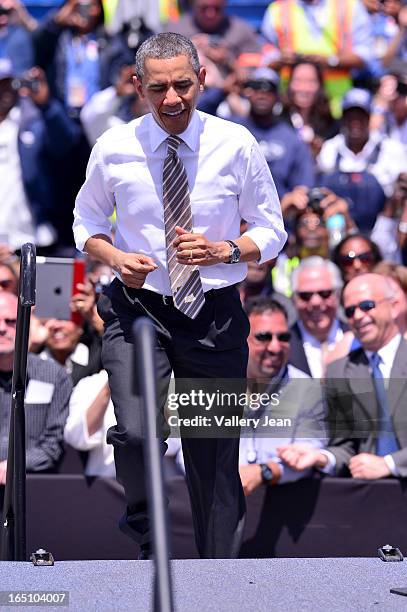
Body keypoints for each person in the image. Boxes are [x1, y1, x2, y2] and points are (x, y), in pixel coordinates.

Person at [72, 32, 286, 559]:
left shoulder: (236, 143)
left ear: (203, 80)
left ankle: (219, 581)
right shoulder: (114, 147)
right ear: (138, 86)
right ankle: (149, 542)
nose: (173, 99)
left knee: (213, 458)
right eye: (160, 88)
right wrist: (118, 259)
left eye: (184, 85)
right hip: (138, 309)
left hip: (212, 315)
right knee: (141, 435)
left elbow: (272, 230)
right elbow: (86, 225)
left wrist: (225, 251)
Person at [279, 273, 407, 479]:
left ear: (394, 307)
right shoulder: (339, 371)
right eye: (350, 310)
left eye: (366, 305)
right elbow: (345, 446)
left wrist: (390, 464)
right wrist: (322, 457)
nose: (357, 316)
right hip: (371, 497)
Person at [239, 297, 325, 496]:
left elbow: (309, 454)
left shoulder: (308, 389)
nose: (275, 347)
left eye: (283, 337)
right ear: (241, 338)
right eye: (263, 337)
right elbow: (187, 453)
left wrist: (265, 472)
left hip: (282, 509)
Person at [0, 292, 72, 485]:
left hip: (32, 489)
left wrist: (12, 465)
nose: (2, 328)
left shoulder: (54, 376)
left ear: (26, 324)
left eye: (10, 321)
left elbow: (53, 445)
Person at [318, 88, 407, 232]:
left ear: (369, 117)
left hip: (381, 231)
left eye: (360, 116)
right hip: (336, 230)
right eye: (350, 116)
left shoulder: (391, 149)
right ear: (343, 118)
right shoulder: (330, 149)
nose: (355, 122)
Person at [261, 0, 373, 114]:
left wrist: (330, 61)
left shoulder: (349, 6)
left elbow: (364, 56)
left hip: (336, 105)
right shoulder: (278, 9)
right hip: (290, 108)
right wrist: (283, 60)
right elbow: (266, 61)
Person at [229, 67, 315, 199]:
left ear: (278, 96)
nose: (262, 94)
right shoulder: (230, 130)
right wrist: (222, 91)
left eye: (269, 89)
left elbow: (303, 186)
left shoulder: (292, 139)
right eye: (257, 87)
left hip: (279, 214)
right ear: (248, 92)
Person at [289, 256, 345, 378]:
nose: (315, 302)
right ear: (294, 299)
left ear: (338, 294)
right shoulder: (282, 345)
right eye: (306, 295)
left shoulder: (357, 339)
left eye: (324, 293)